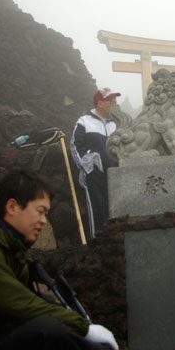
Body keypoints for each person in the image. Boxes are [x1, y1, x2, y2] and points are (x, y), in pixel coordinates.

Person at [0, 168, 149, 350]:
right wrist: (83, 329)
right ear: (12, 206)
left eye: (47, 214)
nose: (44, 221)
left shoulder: (13, 248)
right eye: (40, 211)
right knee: (46, 330)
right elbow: (19, 305)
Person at [71, 87, 120, 238]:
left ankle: (119, 243)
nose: (115, 103)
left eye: (115, 100)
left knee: (120, 210)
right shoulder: (84, 122)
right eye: (111, 101)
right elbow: (75, 146)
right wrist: (87, 167)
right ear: (100, 103)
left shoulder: (117, 124)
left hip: (118, 174)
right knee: (98, 211)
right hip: (95, 176)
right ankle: (99, 244)